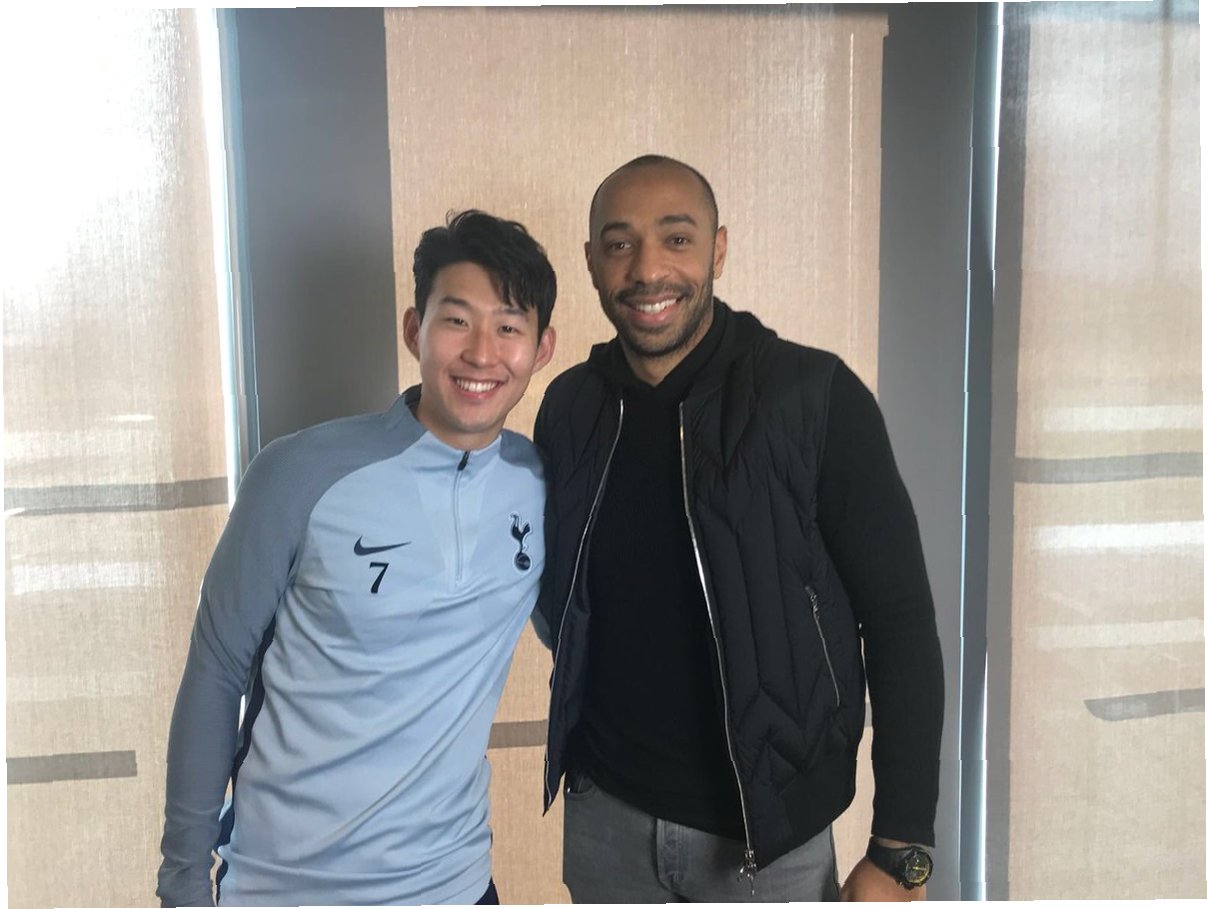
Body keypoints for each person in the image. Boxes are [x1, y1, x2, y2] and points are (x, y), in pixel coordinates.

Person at [532, 155, 944, 902]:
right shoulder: (569, 407)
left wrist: (900, 844)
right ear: (591, 260)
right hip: (604, 824)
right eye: (620, 244)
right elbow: (558, 592)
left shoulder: (814, 398)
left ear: (718, 250)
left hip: (767, 841)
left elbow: (900, 620)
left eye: (677, 239)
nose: (647, 270)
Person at [157, 210, 558, 907]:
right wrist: (183, 882)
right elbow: (216, 670)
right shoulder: (299, 473)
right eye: (456, 320)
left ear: (541, 347)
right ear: (414, 329)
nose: (481, 353)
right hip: (285, 890)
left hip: (456, 886)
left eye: (508, 327)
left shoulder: (541, 483)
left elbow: (586, 634)